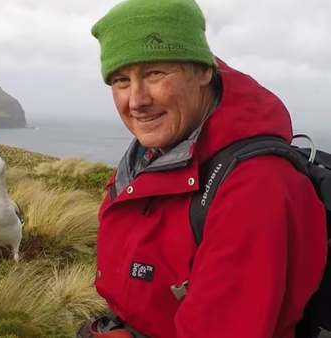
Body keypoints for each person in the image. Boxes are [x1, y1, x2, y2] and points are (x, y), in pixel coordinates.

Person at [79, 0, 328, 337]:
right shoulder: (146, 158)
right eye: (121, 80)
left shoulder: (255, 185)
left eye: (155, 73)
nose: (136, 100)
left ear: (203, 71)